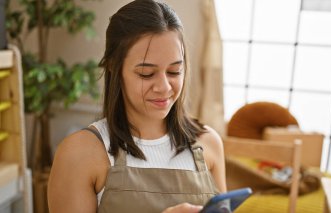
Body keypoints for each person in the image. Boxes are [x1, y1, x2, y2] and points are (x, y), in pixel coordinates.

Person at [47, 0, 226, 212]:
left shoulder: (209, 143)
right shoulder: (80, 153)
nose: (164, 86)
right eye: (146, 74)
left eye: (174, 71)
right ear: (114, 67)